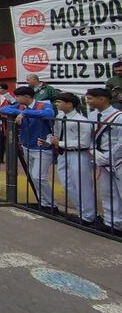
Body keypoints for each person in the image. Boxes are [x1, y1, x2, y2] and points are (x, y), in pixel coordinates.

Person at [46, 92, 96, 225]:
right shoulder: (60, 117)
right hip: (63, 154)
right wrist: (49, 140)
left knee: (82, 185)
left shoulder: (82, 120)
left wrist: (60, 143)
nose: (57, 104)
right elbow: (56, 134)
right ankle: (82, 212)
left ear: (70, 104)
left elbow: (85, 142)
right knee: (67, 184)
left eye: (60, 102)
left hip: (78, 154)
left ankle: (88, 216)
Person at [1, 86, 55, 207]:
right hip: (27, 145)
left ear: (27, 97)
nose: (16, 98)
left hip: (42, 146)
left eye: (18, 96)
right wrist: (21, 112)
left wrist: (26, 113)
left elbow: (49, 113)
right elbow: (4, 109)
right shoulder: (19, 106)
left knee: (38, 177)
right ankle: (43, 202)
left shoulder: (43, 105)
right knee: (33, 176)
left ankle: (51, 204)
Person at [85, 87, 121, 233]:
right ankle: (112, 223)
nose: (88, 102)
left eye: (90, 98)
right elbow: (90, 136)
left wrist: (109, 156)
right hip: (101, 159)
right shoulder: (92, 116)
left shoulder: (118, 116)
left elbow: (120, 141)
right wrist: (94, 151)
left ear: (102, 99)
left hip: (117, 159)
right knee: (108, 192)